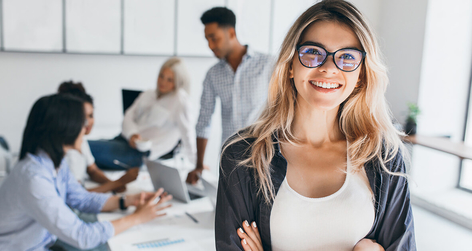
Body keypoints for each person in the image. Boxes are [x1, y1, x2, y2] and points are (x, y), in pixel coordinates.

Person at [215, 0, 416, 250]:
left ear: (361, 74)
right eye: (312, 52)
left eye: (346, 57)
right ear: (290, 65)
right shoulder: (241, 155)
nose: (329, 68)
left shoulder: (384, 156)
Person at [0, 94, 172, 251]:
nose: (85, 129)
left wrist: (128, 201)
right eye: (82, 122)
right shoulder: (33, 178)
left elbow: (81, 199)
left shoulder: (55, 162)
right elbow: (81, 236)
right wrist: (136, 218)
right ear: (64, 128)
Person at [186, 7, 275, 184]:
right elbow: (204, 121)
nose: (210, 46)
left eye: (214, 38)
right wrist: (198, 165)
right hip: (231, 159)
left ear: (231, 33)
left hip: (265, 157)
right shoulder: (213, 74)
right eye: (207, 40)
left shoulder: (268, 64)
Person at [89, 57, 197, 171]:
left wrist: (197, 164)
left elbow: (188, 134)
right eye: (161, 76)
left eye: (169, 80)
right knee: (82, 151)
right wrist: (132, 134)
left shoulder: (180, 101)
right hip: (122, 140)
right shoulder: (148, 94)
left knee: (84, 148)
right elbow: (128, 116)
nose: (163, 82)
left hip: (138, 153)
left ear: (177, 82)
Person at [58, 81, 129, 193]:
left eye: (91, 116)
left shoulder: (82, 142)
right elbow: (76, 197)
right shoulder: (67, 154)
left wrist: (112, 183)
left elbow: (93, 170)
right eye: (83, 117)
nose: (88, 122)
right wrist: (116, 184)